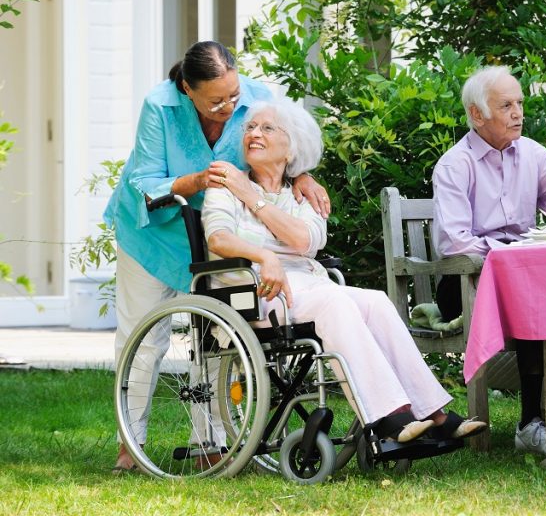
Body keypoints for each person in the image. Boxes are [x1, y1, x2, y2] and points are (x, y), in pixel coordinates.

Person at [202, 99, 487, 444]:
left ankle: (435, 414)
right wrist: (263, 255)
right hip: (253, 292)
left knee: (376, 302)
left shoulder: (305, 195)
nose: (254, 134)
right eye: (250, 128)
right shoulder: (226, 184)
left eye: (266, 128)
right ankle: (385, 419)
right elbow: (218, 238)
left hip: (305, 285)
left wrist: (255, 200)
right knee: (333, 303)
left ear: (291, 148)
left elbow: (304, 240)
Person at [105, 41, 331, 472]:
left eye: (233, 96)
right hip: (151, 233)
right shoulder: (160, 106)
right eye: (216, 100)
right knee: (142, 338)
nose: (229, 106)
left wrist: (303, 175)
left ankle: (210, 439)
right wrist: (192, 181)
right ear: (188, 89)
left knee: (216, 334)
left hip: (216, 232)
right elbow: (145, 180)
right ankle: (129, 443)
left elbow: (282, 142)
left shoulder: (256, 98)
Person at [432, 65, 546, 457]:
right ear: (477, 115)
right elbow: (455, 242)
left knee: (539, 286)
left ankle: (538, 418)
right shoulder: (454, 165)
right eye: (506, 105)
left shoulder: (532, 152)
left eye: (520, 104)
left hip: (522, 278)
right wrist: (510, 257)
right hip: (465, 283)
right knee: (531, 287)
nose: (518, 113)